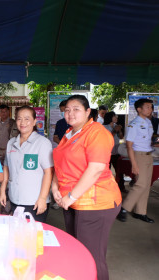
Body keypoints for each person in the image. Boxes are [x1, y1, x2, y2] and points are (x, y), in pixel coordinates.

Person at [52, 95, 121, 280]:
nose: (70, 113)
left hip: (95, 204)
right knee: (79, 252)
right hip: (73, 202)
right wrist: (55, 188)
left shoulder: (96, 133)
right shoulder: (70, 133)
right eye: (67, 109)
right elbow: (60, 164)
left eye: (76, 109)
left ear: (88, 112)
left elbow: (97, 168)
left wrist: (70, 197)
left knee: (93, 257)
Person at [0, 106, 54, 222]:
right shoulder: (11, 143)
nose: (22, 122)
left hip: (34, 201)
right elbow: (6, 167)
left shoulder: (43, 143)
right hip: (14, 198)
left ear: (34, 121)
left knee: (33, 236)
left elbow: (48, 172)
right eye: (19, 119)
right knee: (17, 234)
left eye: (27, 119)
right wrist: (3, 190)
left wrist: (43, 198)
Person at [117, 98, 156, 223]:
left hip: (149, 155)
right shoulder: (134, 124)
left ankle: (140, 212)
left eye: (151, 107)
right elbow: (129, 145)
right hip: (138, 156)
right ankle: (124, 208)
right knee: (141, 184)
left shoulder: (148, 123)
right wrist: (133, 163)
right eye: (147, 107)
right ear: (139, 109)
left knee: (146, 186)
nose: (150, 109)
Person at [103, 112, 126, 191]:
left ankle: (121, 187)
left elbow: (121, 138)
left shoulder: (117, 126)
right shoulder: (104, 127)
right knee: (106, 171)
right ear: (110, 117)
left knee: (120, 170)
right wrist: (115, 131)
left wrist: (119, 131)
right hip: (108, 153)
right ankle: (106, 188)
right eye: (114, 116)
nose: (116, 117)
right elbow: (107, 138)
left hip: (117, 151)